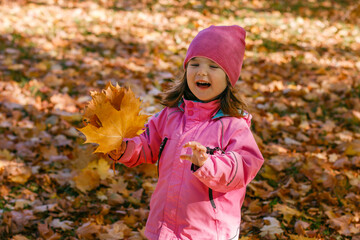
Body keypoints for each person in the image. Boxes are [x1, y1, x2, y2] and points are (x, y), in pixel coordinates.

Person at [109, 25, 264, 240]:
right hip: (165, 224)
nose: (202, 71)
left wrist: (207, 164)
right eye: (195, 63)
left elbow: (244, 167)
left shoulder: (233, 125)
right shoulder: (170, 115)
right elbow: (145, 144)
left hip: (208, 231)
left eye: (213, 66)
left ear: (229, 77)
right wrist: (123, 147)